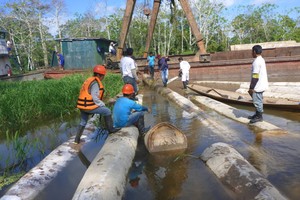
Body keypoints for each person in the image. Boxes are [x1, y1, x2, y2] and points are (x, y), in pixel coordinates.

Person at [74, 65, 120, 144]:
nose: (103, 77)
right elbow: (95, 98)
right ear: (98, 75)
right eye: (102, 76)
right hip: (89, 106)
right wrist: (102, 104)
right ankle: (111, 130)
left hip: (82, 106)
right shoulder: (95, 83)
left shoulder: (89, 80)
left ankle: (76, 140)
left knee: (83, 122)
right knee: (107, 111)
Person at [248, 45, 268, 124]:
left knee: (257, 101)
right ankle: (257, 115)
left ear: (254, 52)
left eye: (252, 51)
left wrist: (251, 87)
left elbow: (255, 76)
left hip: (258, 86)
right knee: (258, 100)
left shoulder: (256, 62)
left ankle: (259, 117)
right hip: (262, 84)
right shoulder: (261, 59)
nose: (251, 53)